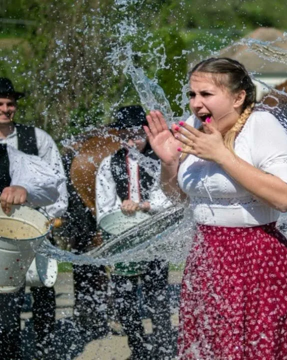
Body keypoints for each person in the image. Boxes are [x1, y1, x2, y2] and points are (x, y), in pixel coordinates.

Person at [145, 57, 287, 359]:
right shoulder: (192, 128)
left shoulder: (260, 125)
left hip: (256, 257)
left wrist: (223, 156)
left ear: (238, 97)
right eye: (192, 95)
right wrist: (169, 163)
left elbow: (285, 197)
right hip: (206, 257)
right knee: (211, 349)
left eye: (206, 94)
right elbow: (179, 199)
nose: (196, 104)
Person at [0, 95, 64, 359]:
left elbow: (52, 186)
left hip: (1, 259)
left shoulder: (8, 156)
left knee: (6, 335)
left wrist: (25, 188)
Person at [95, 105, 174, 359]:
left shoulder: (161, 159)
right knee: (124, 300)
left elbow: (172, 198)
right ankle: (138, 348)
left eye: (137, 134)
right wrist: (120, 212)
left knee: (158, 297)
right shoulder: (109, 164)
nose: (131, 140)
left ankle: (163, 347)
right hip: (123, 239)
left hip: (154, 237)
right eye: (125, 135)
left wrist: (144, 206)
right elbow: (103, 208)